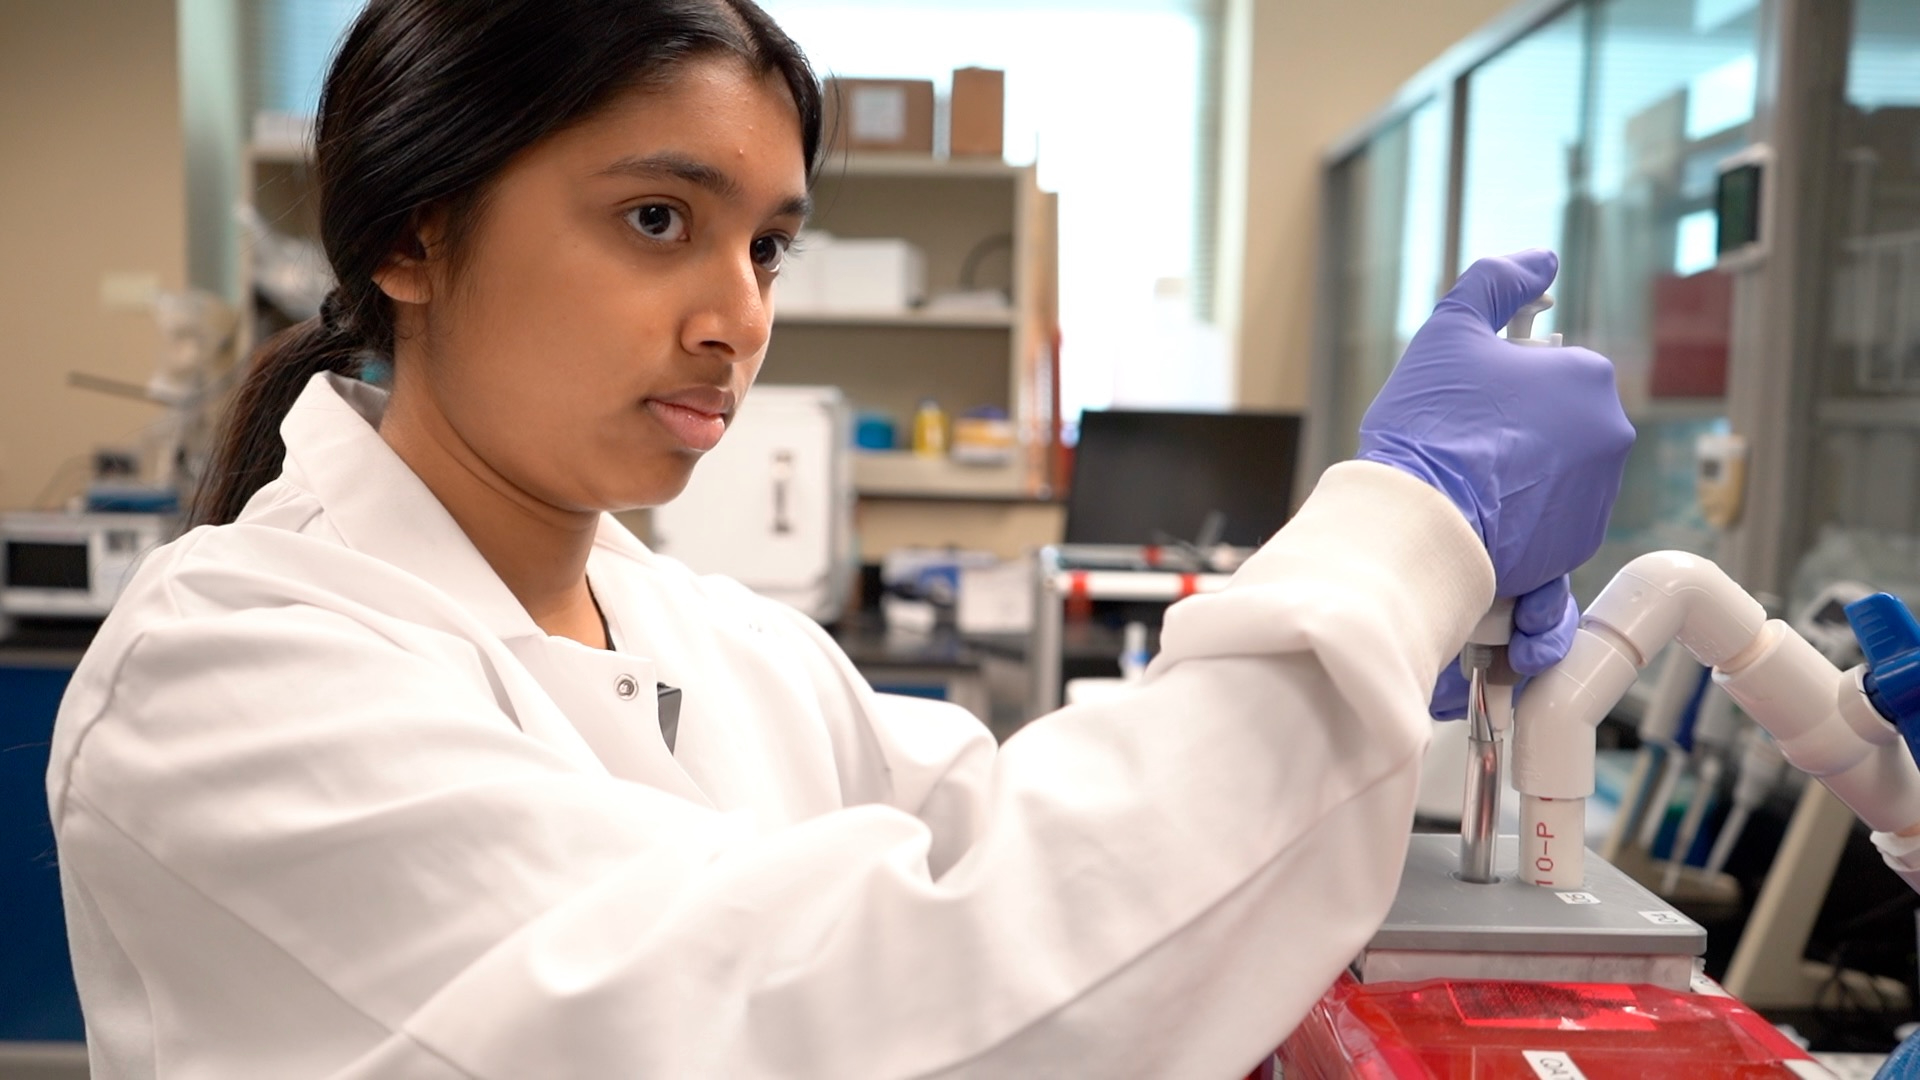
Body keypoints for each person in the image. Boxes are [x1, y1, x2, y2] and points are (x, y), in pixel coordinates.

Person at [45, 1, 1635, 1076]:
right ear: (414, 231)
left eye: (770, 244)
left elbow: (1008, 834)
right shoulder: (225, 680)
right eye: (658, 219)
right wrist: (1402, 540)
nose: (737, 314)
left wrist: (1404, 659)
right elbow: (886, 1005)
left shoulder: (706, 640)